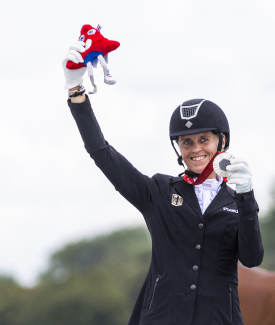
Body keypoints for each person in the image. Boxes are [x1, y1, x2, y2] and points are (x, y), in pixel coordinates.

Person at [63, 41, 264, 325]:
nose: (196, 149)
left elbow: (252, 258)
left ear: (222, 141)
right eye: (187, 142)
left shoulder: (235, 201)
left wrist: (246, 196)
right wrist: (76, 92)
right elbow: (101, 151)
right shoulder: (158, 192)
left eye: (204, 139)